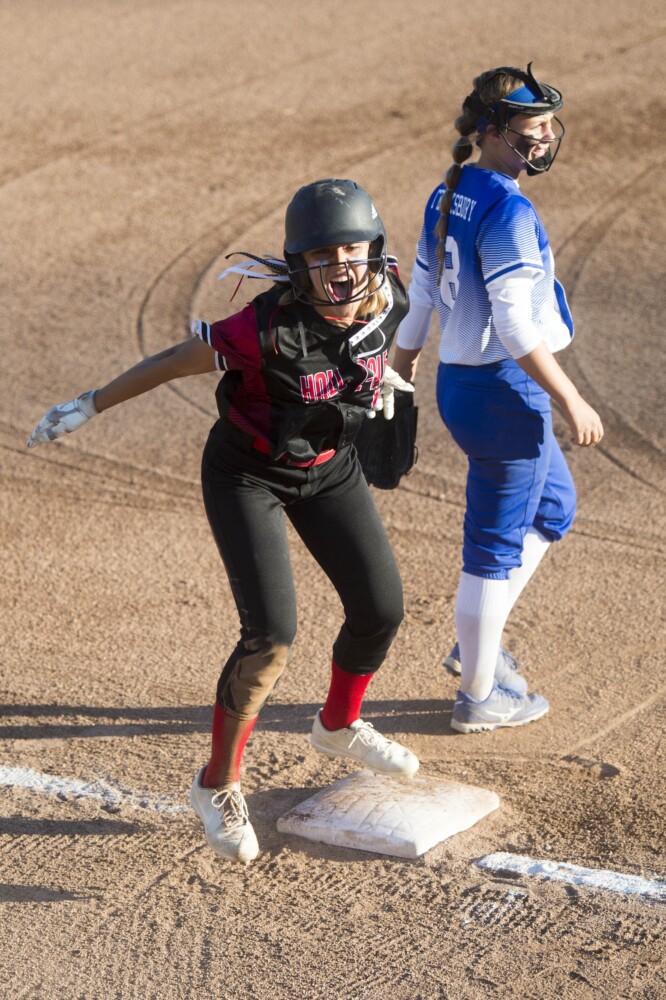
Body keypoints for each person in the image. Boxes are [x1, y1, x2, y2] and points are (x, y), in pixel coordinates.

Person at [27, 178, 419, 864]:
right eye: (324, 256)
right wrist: (91, 403)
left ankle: (339, 723)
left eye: (353, 250)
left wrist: (378, 376)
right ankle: (217, 785)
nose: (343, 267)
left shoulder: (388, 298)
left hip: (330, 466)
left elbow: (368, 344)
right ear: (300, 265)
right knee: (271, 636)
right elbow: (174, 360)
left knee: (381, 608)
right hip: (249, 473)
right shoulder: (264, 328)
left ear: (375, 251)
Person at [391, 64, 604, 734]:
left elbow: (422, 294)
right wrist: (571, 399)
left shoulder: (447, 192)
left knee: (554, 505)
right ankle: (479, 695)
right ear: (490, 132)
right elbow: (513, 327)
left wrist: (401, 370)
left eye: (545, 126)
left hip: (462, 384)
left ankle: (476, 648)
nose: (542, 139)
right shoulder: (508, 211)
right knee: (491, 545)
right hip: (504, 395)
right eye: (528, 129)